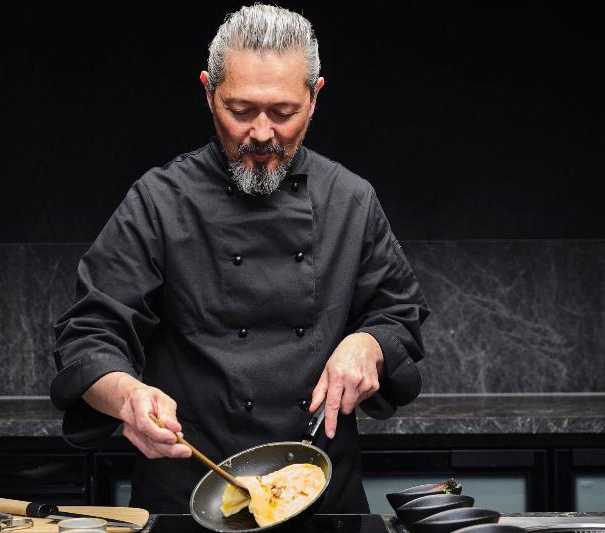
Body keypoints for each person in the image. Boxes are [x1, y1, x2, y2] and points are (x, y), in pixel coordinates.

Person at [50, 4, 429, 514]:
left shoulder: (351, 200)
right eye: (241, 110)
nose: (262, 133)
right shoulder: (160, 202)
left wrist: (369, 344)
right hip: (190, 498)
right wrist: (126, 396)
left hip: (323, 503)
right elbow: (89, 334)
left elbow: (399, 315)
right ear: (208, 93)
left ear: (315, 98)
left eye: (283, 112)